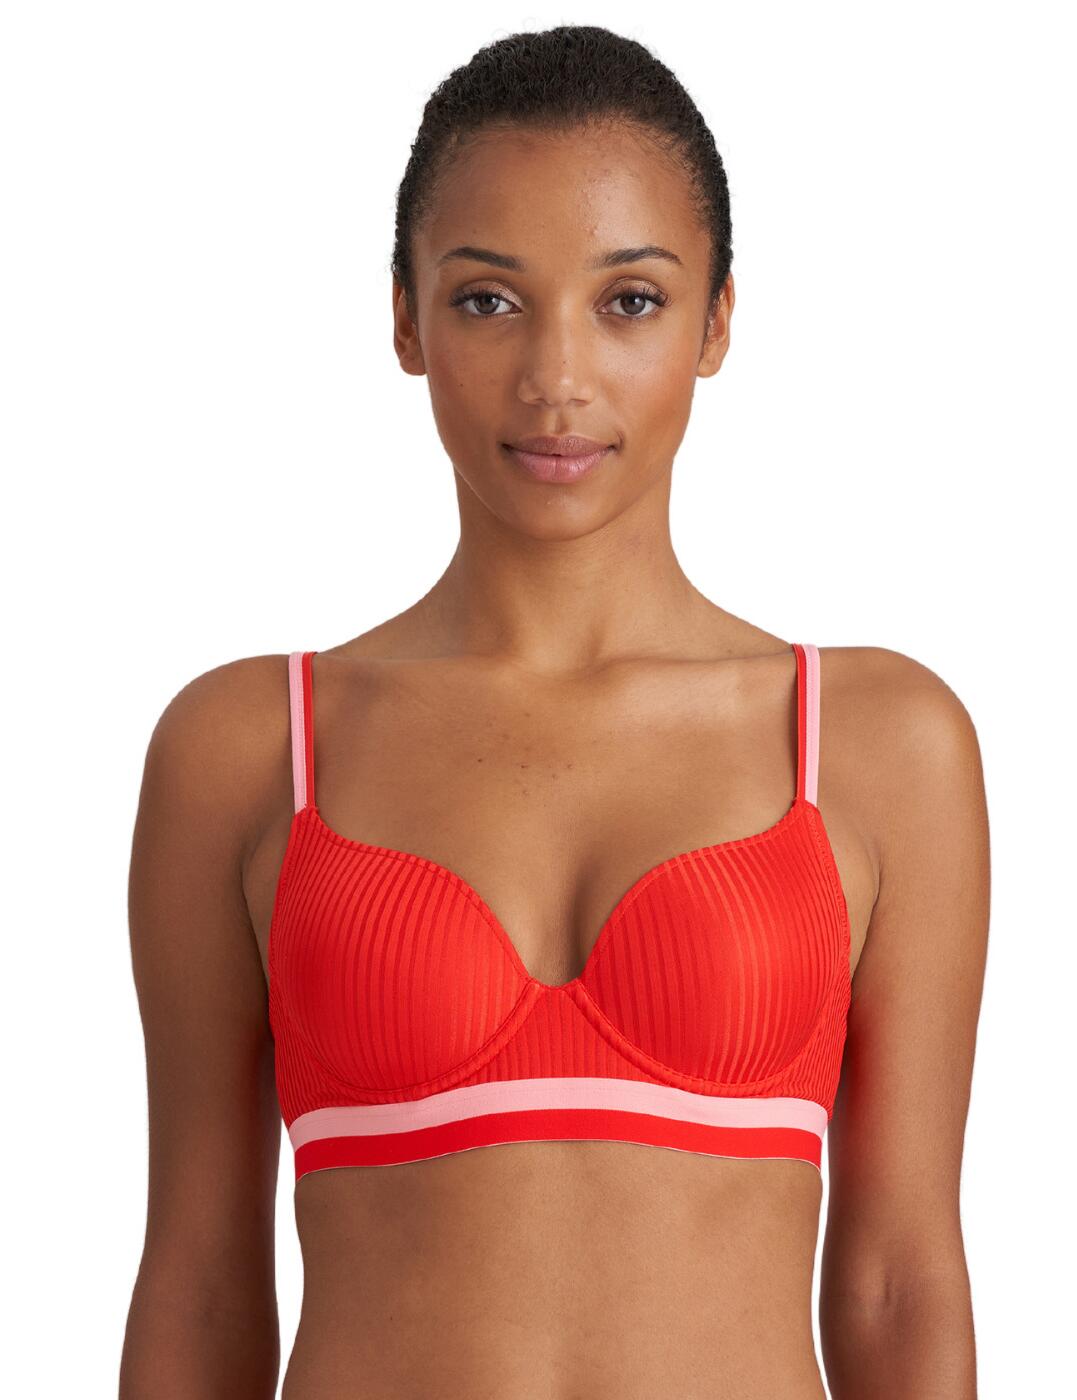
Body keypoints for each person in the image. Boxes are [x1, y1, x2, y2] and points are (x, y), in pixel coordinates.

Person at [119, 24, 989, 1400]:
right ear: (404, 320)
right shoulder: (249, 748)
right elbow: (201, 1283)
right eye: (487, 301)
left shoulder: (878, 744)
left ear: (716, 322)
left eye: (628, 300)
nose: (556, 378)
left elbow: (899, 1282)